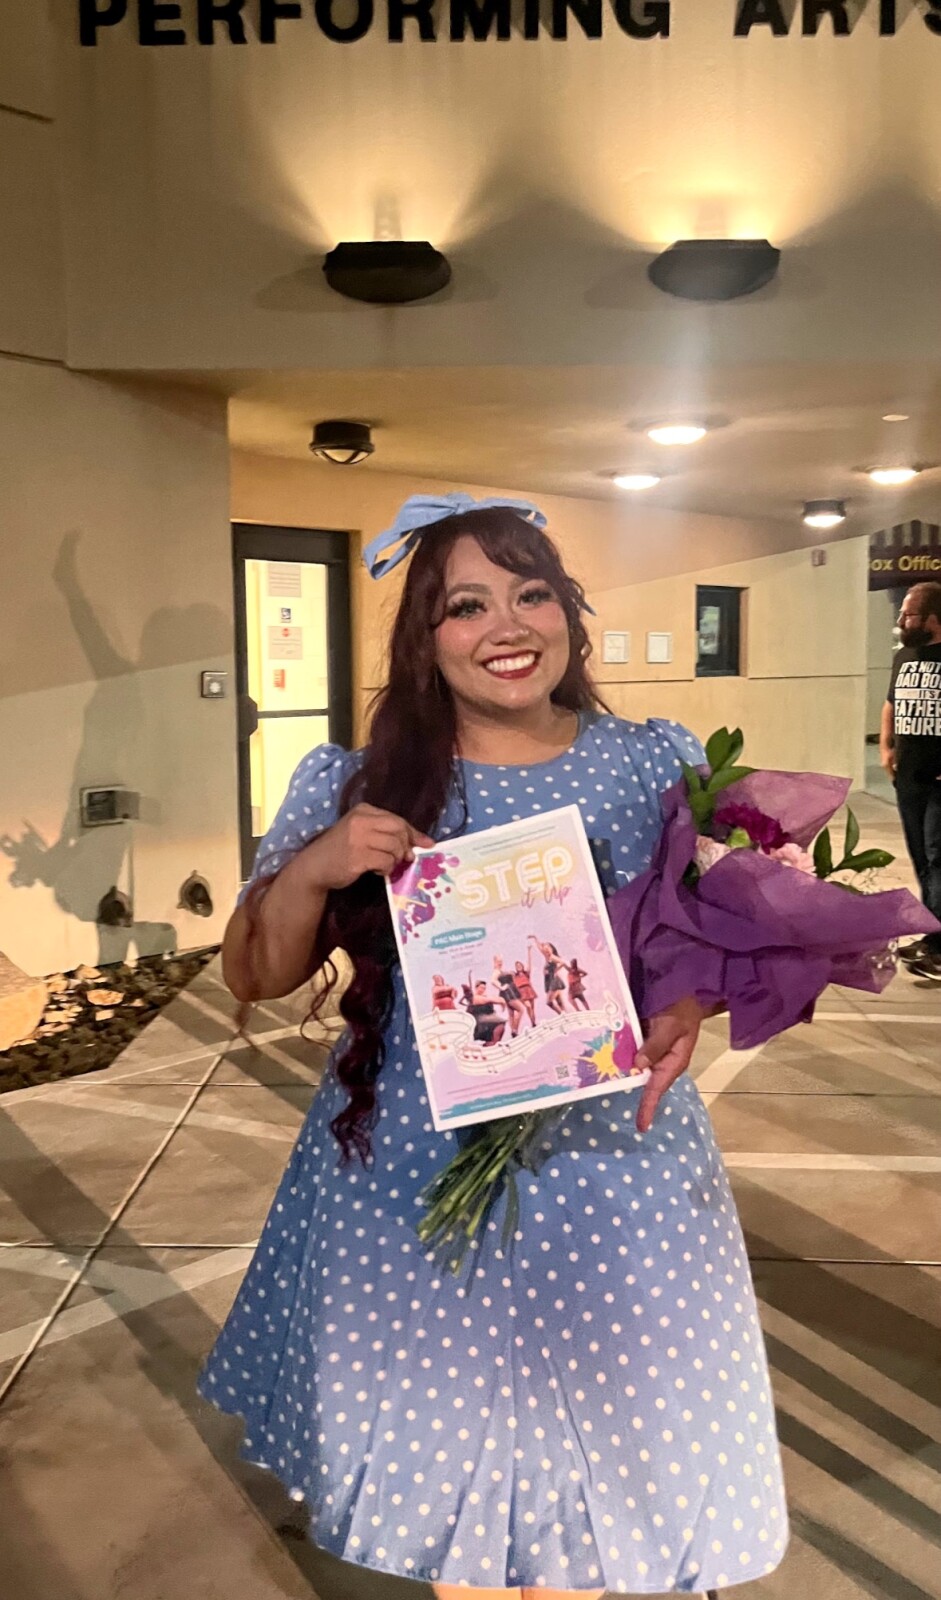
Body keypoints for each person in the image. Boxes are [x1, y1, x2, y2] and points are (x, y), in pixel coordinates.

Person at [199, 493, 788, 1599]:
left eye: (531, 593)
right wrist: (320, 865)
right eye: (465, 606)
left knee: (606, 1453)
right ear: (424, 641)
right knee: (454, 1458)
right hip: (413, 1162)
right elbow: (253, 975)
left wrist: (688, 1002)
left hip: (611, 1160)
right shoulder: (359, 782)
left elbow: (699, 938)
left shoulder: (650, 765)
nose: (506, 626)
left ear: (567, 610)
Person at [880, 581, 941, 981]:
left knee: (938, 857)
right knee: (921, 858)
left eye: (909, 614)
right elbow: (890, 704)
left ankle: (937, 945)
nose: (901, 621)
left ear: (932, 619)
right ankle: (933, 936)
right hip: (910, 777)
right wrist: (887, 748)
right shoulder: (904, 656)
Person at [529, 935, 568, 1014]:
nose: (546, 949)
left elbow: (563, 963)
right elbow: (540, 948)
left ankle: (561, 1014)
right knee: (559, 1002)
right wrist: (535, 938)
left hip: (554, 980)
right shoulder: (547, 957)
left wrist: (555, 970)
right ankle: (565, 1016)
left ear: (551, 949)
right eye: (545, 948)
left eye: (548, 947)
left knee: (549, 1002)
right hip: (549, 980)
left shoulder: (552, 957)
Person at [464, 978, 508, 1045]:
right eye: (481, 988)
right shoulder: (475, 998)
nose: (483, 990)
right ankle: (494, 1044)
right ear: (476, 988)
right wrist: (501, 1001)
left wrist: (502, 1001)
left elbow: (494, 1000)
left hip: (488, 1019)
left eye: (484, 988)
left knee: (501, 1027)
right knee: (501, 1022)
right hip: (479, 1021)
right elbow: (489, 1000)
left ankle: (493, 1043)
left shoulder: (484, 996)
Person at [492, 954, 526, 1035]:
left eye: (501, 961)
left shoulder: (500, 971)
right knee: (521, 1009)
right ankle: (515, 1030)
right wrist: (501, 987)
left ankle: (513, 1031)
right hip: (508, 993)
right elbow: (493, 981)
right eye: (498, 961)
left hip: (509, 993)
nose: (500, 963)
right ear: (495, 962)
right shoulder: (496, 971)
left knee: (511, 1013)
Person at [512, 958, 538, 1026]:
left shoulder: (526, 973)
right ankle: (532, 1022)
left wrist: (529, 953)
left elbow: (529, 965)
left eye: (520, 965)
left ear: (522, 966)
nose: (518, 967)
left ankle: (533, 1023)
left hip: (529, 990)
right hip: (521, 992)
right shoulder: (515, 976)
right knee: (528, 1006)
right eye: (517, 966)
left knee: (532, 1008)